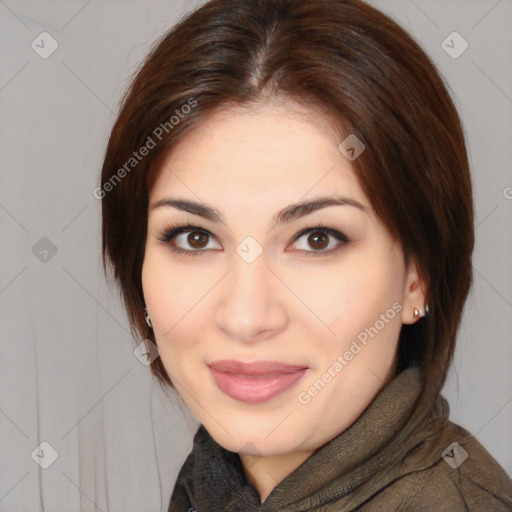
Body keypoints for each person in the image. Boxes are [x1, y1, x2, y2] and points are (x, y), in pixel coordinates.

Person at [99, 0, 512, 510]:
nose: (246, 317)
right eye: (195, 238)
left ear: (417, 277)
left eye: (318, 239)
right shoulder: (216, 484)